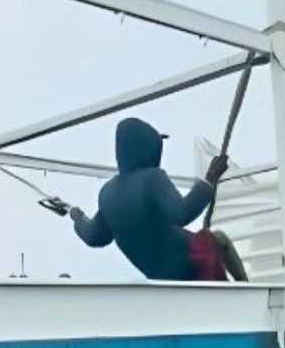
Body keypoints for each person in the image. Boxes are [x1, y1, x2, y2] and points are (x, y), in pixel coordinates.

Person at [54, 117, 247, 282]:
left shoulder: (107, 194)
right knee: (219, 239)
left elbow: (94, 236)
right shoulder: (152, 178)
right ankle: (244, 286)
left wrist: (77, 218)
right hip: (186, 261)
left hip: (159, 277)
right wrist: (210, 178)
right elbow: (182, 213)